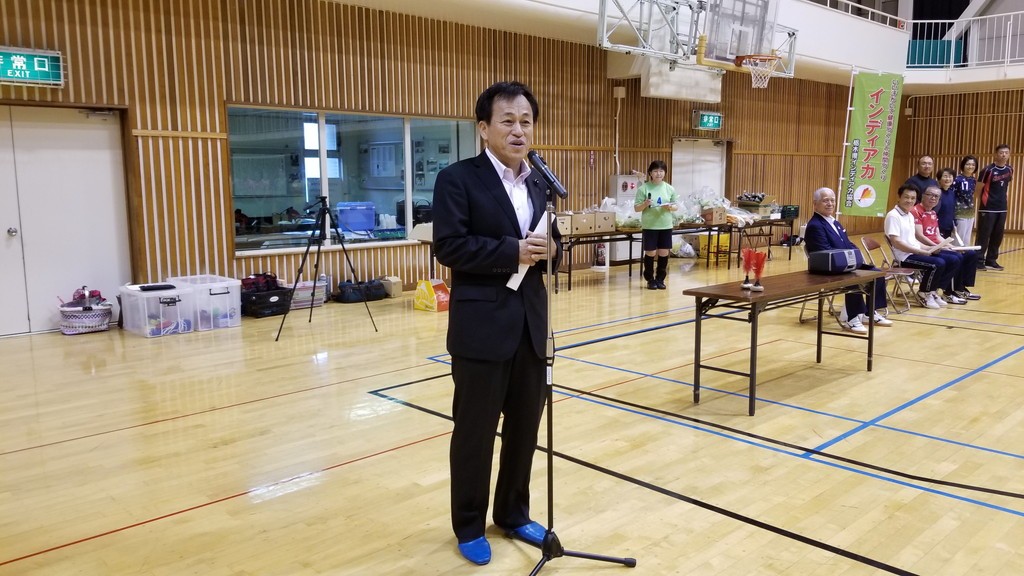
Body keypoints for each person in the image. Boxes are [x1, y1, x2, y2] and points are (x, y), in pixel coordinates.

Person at [432, 81, 560, 566]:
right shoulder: (457, 179)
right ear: (484, 128)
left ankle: (512, 513)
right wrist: (513, 251)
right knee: (475, 432)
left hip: (531, 325)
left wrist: (553, 249)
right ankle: (468, 524)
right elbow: (450, 246)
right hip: (482, 328)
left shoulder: (540, 181)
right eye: (507, 121)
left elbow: (551, 242)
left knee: (525, 430)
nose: (518, 130)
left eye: (526, 121)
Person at [803, 187, 892, 334]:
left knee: (877, 274)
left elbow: (848, 243)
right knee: (853, 279)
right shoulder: (815, 225)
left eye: (832, 200)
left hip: (844, 264)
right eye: (825, 200)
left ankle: (870, 313)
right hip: (828, 269)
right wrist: (849, 259)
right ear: (815, 204)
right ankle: (852, 319)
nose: (830, 204)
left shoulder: (835, 222)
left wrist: (856, 254)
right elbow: (824, 252)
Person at [884, 185, 955, 310]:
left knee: (949, 259)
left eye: (913, 198)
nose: (909, 201)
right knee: (937, 263)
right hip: (904, 257)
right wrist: (920, 251)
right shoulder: (893, 216)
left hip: (914, 252)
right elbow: (896, 242)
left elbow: (913, 241)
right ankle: (923, 293)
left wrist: (929, 248)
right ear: (899, 197)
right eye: (906, 197)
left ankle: (932, 291)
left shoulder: (909, 215)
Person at [910, 186, 973, 304]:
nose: (933, 198)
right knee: (955, 258)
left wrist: (950, 246)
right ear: (923, 195)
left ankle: (957, 289)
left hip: (935, 246)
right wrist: (937, 246)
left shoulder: (933, 212)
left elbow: (938, 235)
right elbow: (919, 236)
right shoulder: (915, 211)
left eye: (936, 196)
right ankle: (943, 291)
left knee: (969, 254)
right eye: (930, 195)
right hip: (925, 247)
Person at [633, 160, 678, 290]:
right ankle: (650, 279)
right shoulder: (643, 188)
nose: (659, 173)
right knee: (651, 252)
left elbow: (675, 206)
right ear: (650, 173)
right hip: (650, 226)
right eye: (655, 171)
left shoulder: (669, 188)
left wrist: (670, 207)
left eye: (661, 171)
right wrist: (645, 204)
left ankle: (660, 279)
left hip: (666, 225)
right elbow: (636, 208)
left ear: (665, 173)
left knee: (664, 252)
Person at [976, 144, 1013, 271]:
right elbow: (978, 188)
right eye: (1001, 152)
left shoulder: (1009, 169)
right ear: (996, 154)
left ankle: (991, 260)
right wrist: (979, 204)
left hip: (1002, 208)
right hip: (987, 208)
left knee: (998, 235)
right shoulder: (987, 170)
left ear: (1009, 154)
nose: (1004, 155)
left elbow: (1005, 186)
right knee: (983, 235)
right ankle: (978, 261)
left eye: (1006, 152)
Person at [953, 155, 979, 245]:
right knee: (959, 239)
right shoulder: (957, 179)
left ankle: (965, 254)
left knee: (967, 239)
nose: (970, 166)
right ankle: (956, 254)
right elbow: (952, 195)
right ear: (963, 165)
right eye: (968, 164)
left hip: (970, 213)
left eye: (973, 165)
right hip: (959, 212)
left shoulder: (974, 180)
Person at [934, 168, 958, 238]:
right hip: (938, 227)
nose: (948, 179)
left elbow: (953, 210)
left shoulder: (952, 193)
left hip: (949, 227)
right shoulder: (936, 193)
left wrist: (954, 224)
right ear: (939, 179)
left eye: (950, 176)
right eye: (945, 176)